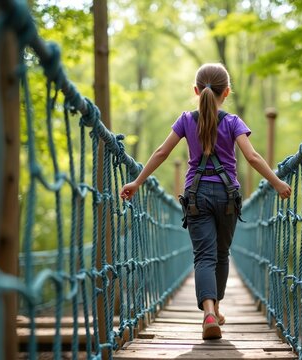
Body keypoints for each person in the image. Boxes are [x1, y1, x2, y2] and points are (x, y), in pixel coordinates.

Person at [119, 63, 291, 340]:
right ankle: (215, 309)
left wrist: (137, 182)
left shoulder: (186, 119)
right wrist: (277, 182)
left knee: (204, 257)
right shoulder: (234, 122)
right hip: (227, 198)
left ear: (196, 90)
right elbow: (252, 157)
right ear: (227, 92)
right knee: (221, 255)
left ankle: (209, 312)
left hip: (196, 197)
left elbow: (162, 151)